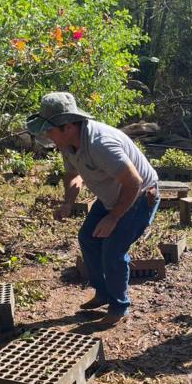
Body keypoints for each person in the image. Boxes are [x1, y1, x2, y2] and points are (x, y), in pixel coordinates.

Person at [27, 92, 159, 328]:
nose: (46, 135)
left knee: (113, 251)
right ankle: (103, 293)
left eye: (49, 130)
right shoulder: (68, 144)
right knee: (87, 237)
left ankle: (119, 307)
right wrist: (68, 202)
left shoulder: (100, 144)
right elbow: (72, 174)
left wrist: (113, 217)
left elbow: (134, 182)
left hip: (138, 196)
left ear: (67, 126)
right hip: (113, 194)